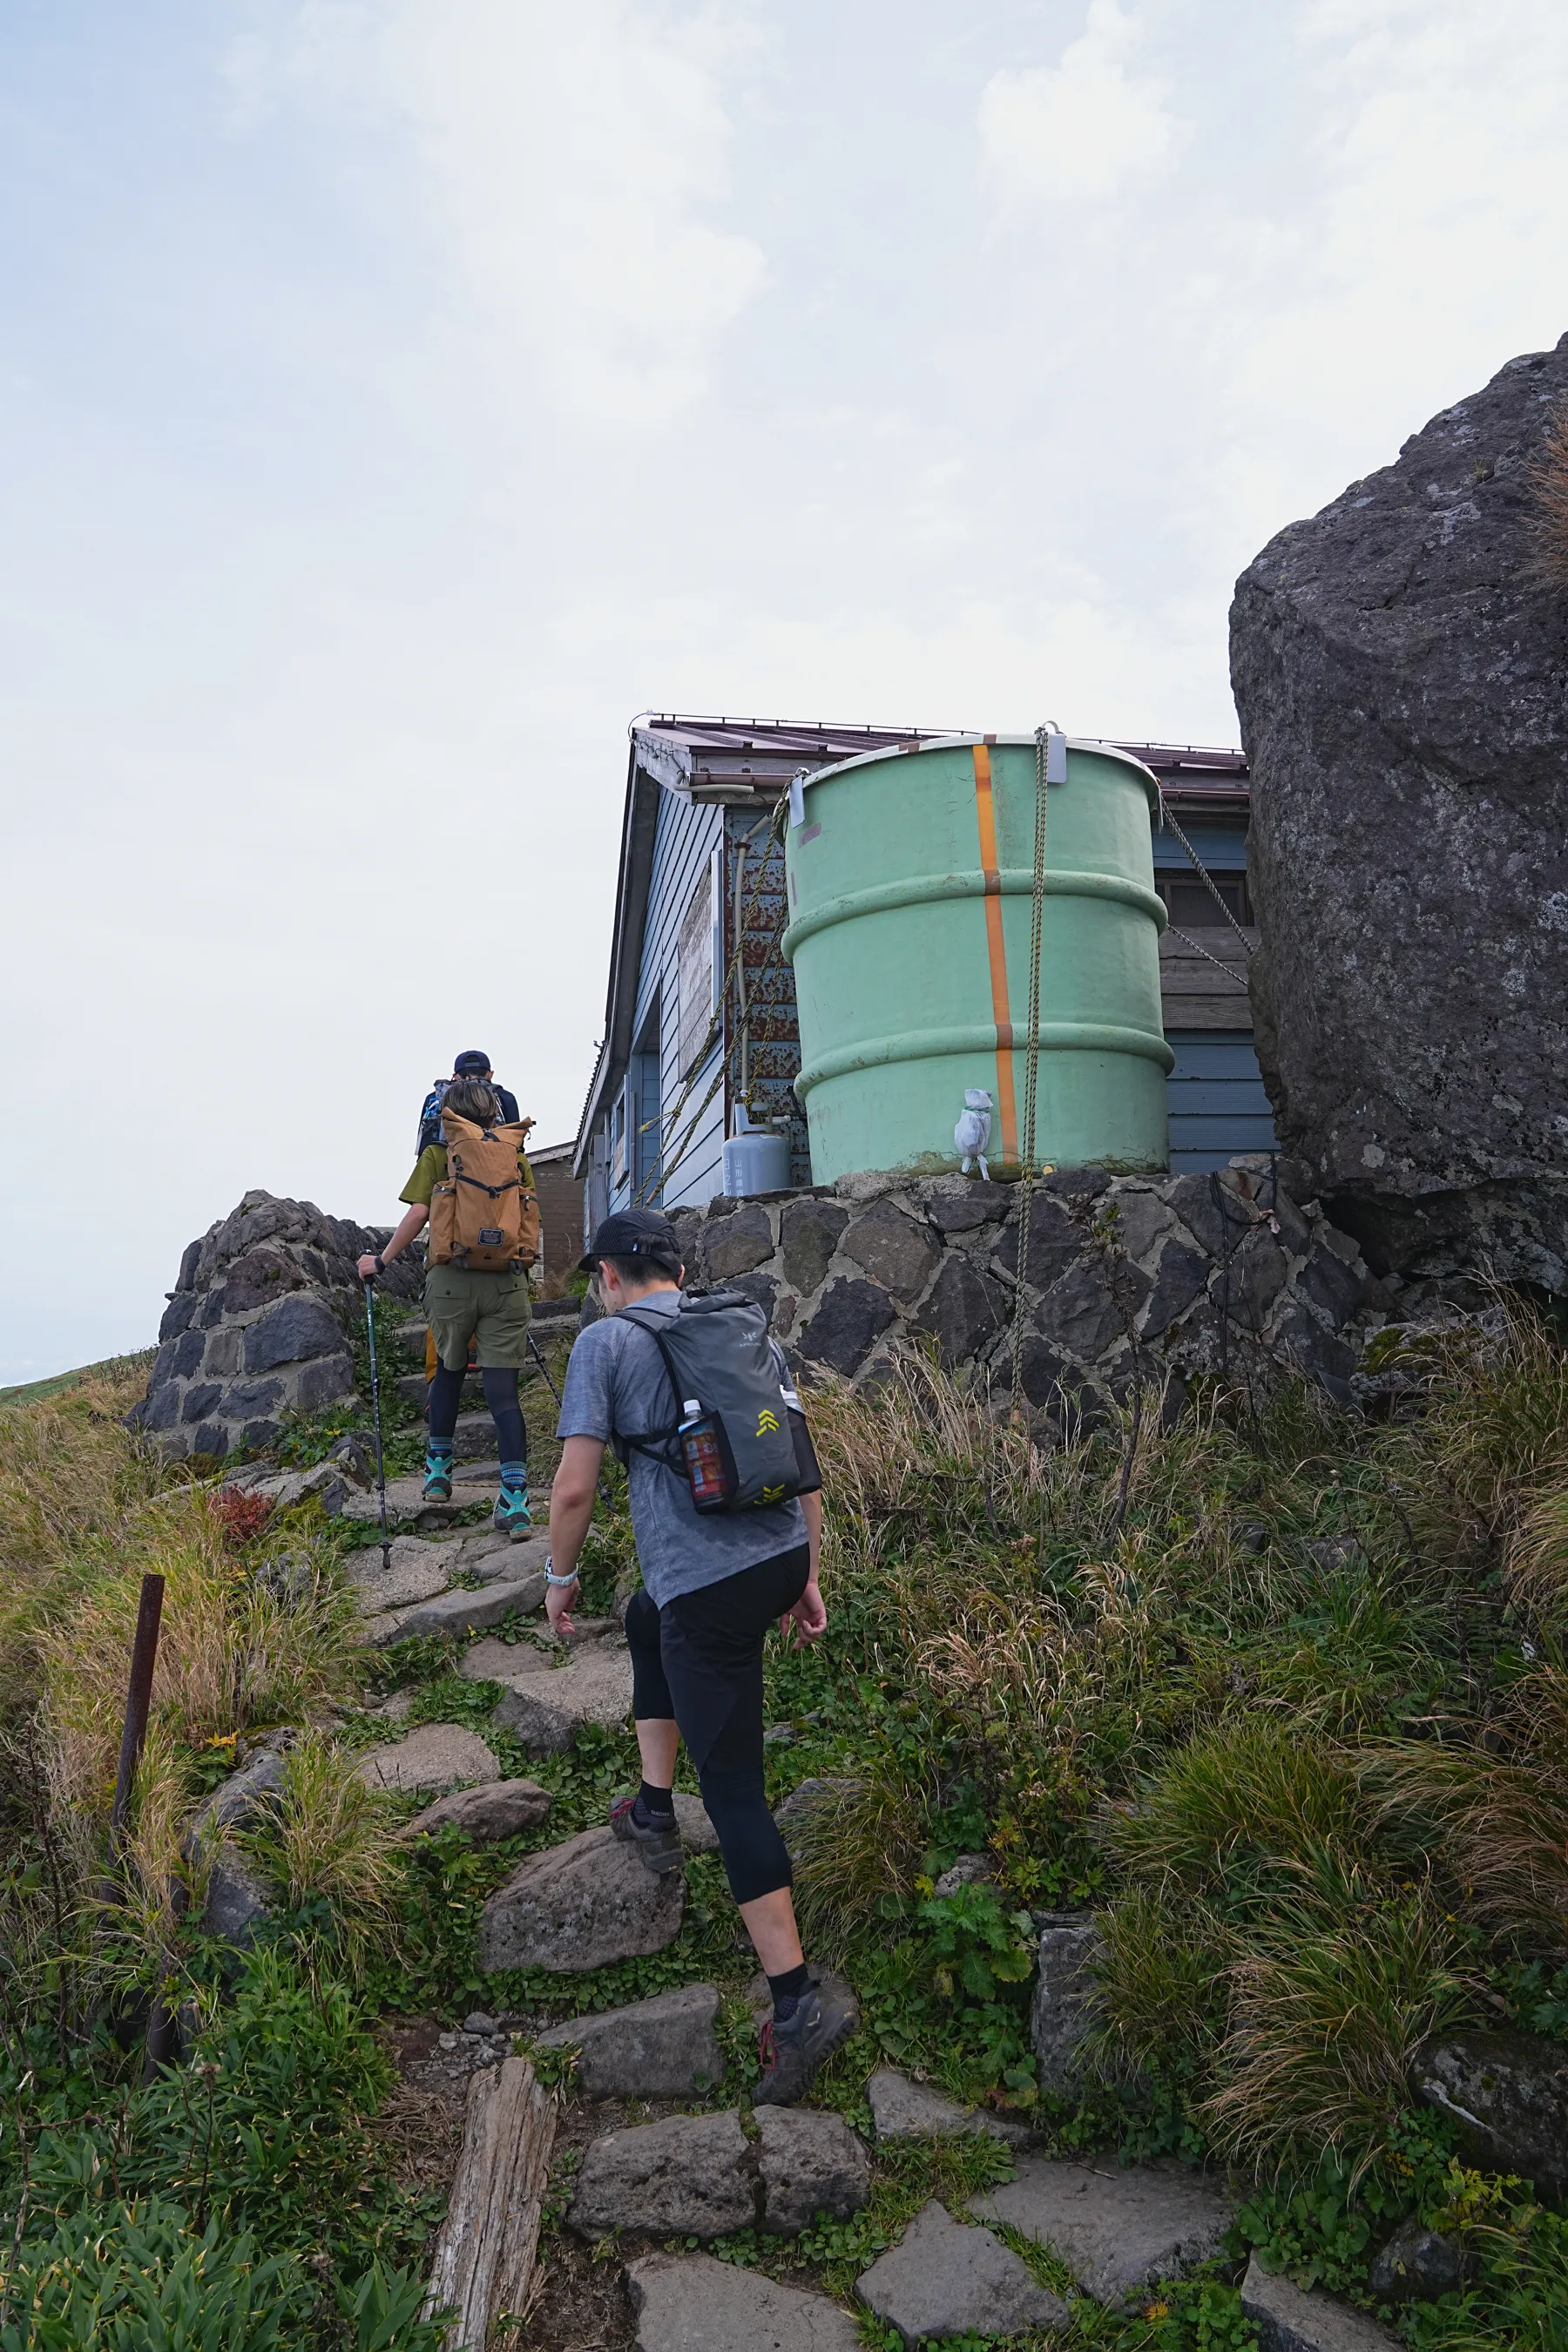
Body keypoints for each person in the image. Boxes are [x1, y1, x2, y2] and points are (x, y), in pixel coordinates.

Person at [544, 1206, 856, 2105]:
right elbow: (801, 1461)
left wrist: (558, 1579)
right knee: (649, 1618)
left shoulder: (604, 1347)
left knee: (735, 1792)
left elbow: (572, 1487)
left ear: (608, 1277)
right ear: (676, 1268)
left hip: (712, 1591)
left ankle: (797, 2003)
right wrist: (806, 1573)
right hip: (778, 1554)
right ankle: (651, 1807)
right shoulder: (736, 1324)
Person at [355, 1074, 536, 1538]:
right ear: (495, 1112)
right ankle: (515, 1500)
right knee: (503, 1393)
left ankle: (438, 1474)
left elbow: (418, 1214)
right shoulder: (514, 1153)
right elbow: (529, 1214)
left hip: (451, 1281)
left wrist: (381, 1260)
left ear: (447, 1113)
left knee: (449, 1373)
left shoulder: (439, 1154)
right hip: (506, 1284)